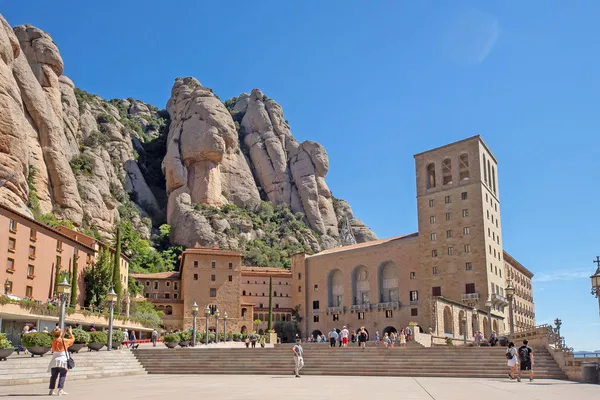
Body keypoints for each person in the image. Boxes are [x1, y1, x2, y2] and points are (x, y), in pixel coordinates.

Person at [48, 326, 74, 396]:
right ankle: (60, 390)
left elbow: (60, 339)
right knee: (62, 375)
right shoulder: (64, 341)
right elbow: (72, 340)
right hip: (63, 360)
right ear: (60, 333)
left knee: (53, 376)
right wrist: (70, 333)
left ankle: (51, 390)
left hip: (54, 361)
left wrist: (64, 332)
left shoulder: (53, 341)